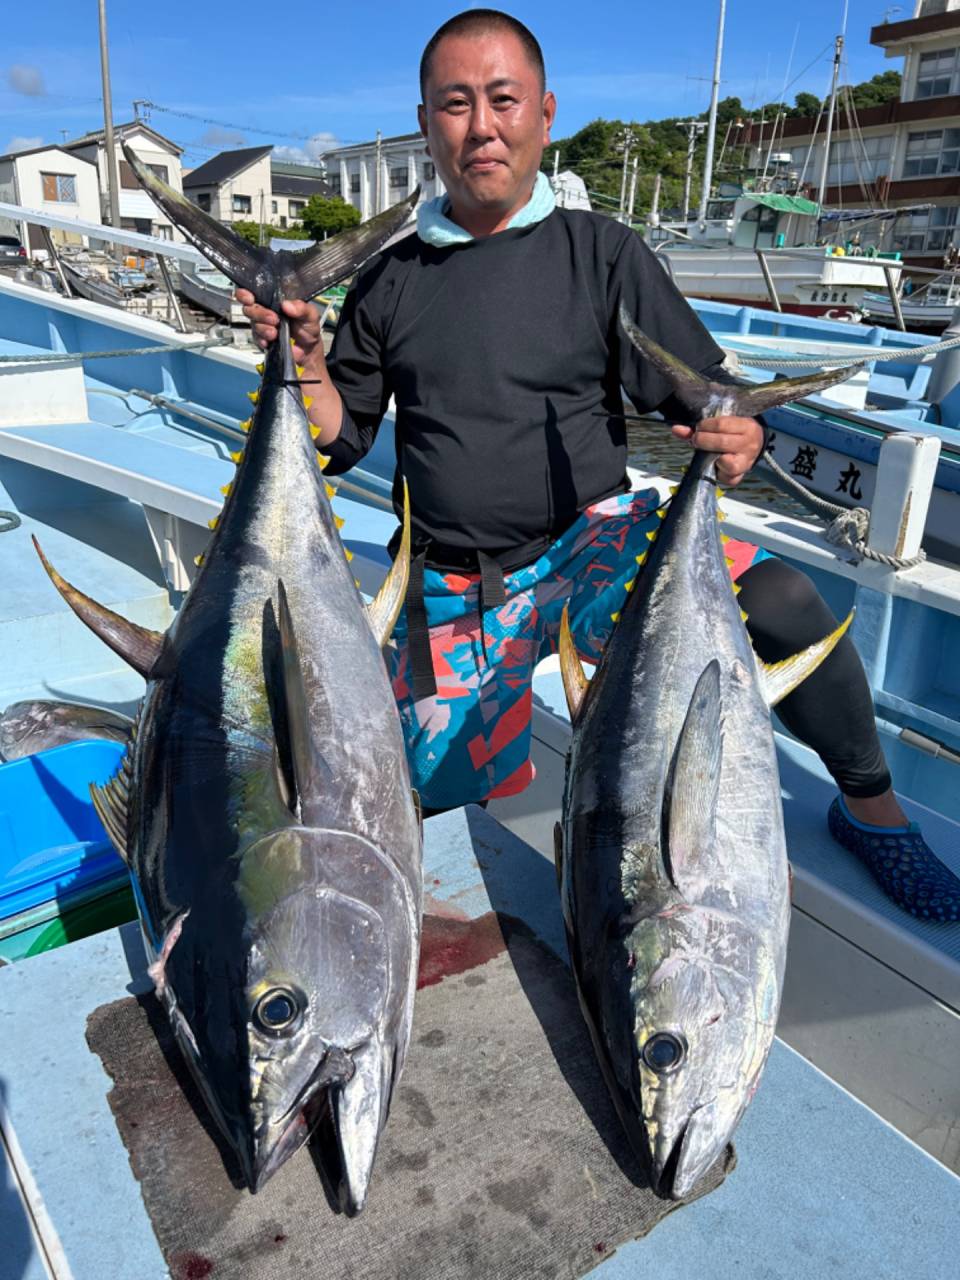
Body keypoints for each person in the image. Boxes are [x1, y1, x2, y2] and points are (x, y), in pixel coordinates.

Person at [240, 9, 960, 923]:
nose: (481, 126)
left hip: (597, 548)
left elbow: (705, 396)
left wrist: (742, 434)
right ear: (426, 124)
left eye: (503, 100)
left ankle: (874, 813)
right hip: (458, 581)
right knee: (420, 799)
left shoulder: (605, 254)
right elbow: (337, 439)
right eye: (455, 105)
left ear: (544, 113)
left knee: (780, 600)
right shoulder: (388, 276)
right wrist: (302, 349)